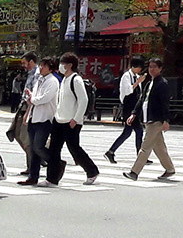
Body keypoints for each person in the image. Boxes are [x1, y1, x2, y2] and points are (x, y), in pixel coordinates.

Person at [122, 57, 175, 181]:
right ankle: (170, 169)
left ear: (160, 69)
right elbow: (142, 100)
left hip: (156, 120)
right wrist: (134, 113)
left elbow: (165, 103)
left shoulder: (162, 84)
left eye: (155, 67)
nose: (151, 69)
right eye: (150, 67)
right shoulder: (149, 83)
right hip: (148, 119)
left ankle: (134, 172)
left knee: (145, 147)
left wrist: (166, 120)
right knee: (159, 148)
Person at [52, 53, 100, 185]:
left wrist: (76, 118)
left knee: (74, 148)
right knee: (54, 149)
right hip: (59, 119)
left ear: (69, 65)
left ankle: (92, 171)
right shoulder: (65, 80)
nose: (61, 66)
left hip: (71, 121)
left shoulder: (76, 80)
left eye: (63, 63)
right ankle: (52, 178)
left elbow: (83, 100)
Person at [17, 56, 59, 186]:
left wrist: (32, 99)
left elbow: (44, 98)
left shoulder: (52, 81)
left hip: (45, 118)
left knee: (39, 146)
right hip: (34, 117)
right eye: (41, 65)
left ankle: (55, 163)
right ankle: (33, 176)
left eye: (44, 66)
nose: (41, 68)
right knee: (33, 150)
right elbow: (34, 98)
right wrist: (28, 112)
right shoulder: (40, 79)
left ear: (50, 68)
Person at [105, 56, 145, 163]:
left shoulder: (136, 77)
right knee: (137, 131)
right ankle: (140, 155)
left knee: (129, 132)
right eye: (139, 67)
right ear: (135, 67)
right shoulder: (126, 77)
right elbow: (128, 91)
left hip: (134, 108)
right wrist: (137, 83)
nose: (140, 70)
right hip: (128, 108)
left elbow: (139, 93)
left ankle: (111, 151)